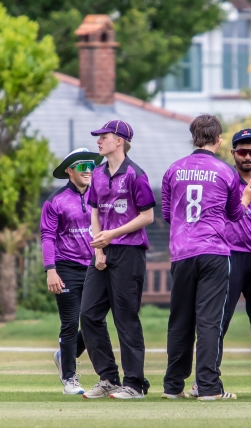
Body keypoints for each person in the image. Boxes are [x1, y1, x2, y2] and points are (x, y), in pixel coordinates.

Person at [161, 115, 251, 401]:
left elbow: (168, 214)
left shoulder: (174, 169)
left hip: (182, 253)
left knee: (180, 319)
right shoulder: (224, 172)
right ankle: (208, 387)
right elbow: (235, 214)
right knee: (209, 321)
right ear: (219, 140)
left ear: (193, 137)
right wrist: (245, 199)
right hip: (214, 253)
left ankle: (173, 386)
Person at [188, 128, 251, 398]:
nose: (248, 157)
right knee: (218, 320)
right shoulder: (223, 180)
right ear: (233, 153)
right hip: (229, 255)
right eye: (242, 152)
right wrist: (245, 198)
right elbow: (213, 215)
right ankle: (203, 381)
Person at [80, 120, 156, 400]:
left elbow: (147, 216)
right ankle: (108, 378)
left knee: (126, 319)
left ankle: (134, 384)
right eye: (99, 137)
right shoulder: (98, 174)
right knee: (88, 314)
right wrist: (99, 249)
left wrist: (112, 235)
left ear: (120, 141)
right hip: (103, 251)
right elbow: (95, 213)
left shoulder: (136, 174)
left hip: (129, 252)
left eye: (104, 136)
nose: (99, 141)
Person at [41, 148, 103, 395]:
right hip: (66, 267)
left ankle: (64, 354)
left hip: (95, 267)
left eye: (91, 165)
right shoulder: (55, 201)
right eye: (81, 166)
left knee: (93, 319)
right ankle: (69, 378)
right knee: (69, 323)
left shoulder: (99, 197)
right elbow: (47, 236)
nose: (88, 170)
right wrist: (50, 270)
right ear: (69, 170)